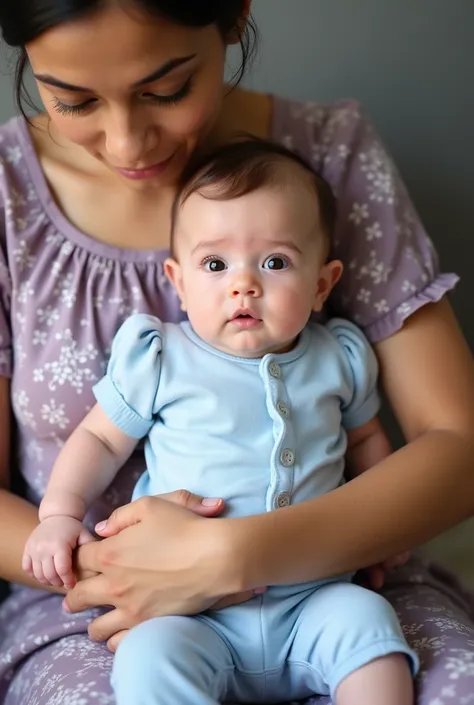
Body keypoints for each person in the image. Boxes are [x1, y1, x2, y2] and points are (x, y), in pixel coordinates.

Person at [0, 1, 472, 704]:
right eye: (72, 100)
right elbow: (96, 439)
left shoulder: (329, 158)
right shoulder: (10, 196)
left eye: (166, 89)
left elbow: (451, 445)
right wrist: (117, 562)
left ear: (233, 16)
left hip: (331, 580)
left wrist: (232, 554)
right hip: (105, 605)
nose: (128, 144)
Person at [23, 139, 418, 704]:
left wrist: (387, 530)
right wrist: (58, 513)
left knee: (370, 626)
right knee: (147, 657)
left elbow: (368, 441)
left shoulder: (339, 358)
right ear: (178, 281)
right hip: (187, 610)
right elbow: (98, 437)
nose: (244, 284)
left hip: (313, 598)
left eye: (275, 262)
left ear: (322, 285)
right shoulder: (161, 357)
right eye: (215, 264)